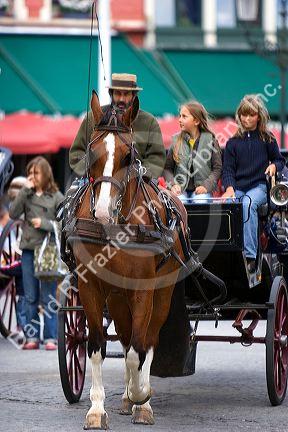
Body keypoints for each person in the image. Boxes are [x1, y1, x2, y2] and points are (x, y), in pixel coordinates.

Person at [222, 94, 285, 272]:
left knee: (248, 204)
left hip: (259, 187)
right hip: (239, 188)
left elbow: (280, 160)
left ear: (259, 116)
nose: (246, 118)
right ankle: (227, 255)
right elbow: (227, 170)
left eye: (251, 115)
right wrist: (229, 188)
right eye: (243, 115)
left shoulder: (268, 138)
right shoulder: (232, 143)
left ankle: (250, 256)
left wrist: (274, 165)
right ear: (239, 116)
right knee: (227, 205)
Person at [9, 157, 64, 350]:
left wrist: (46, 224)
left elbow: (65, 223)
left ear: (45, 174)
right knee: (31, 296)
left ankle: (50, 338)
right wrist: (24, 190)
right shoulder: (27, 194)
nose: (32, 176)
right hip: (28, 251)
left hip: (47, 250)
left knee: (48, 296)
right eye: (30, 173)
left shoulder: (56, 196)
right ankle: (32, 337)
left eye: (36, 173)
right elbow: (13, 213)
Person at [69, 73, 166, 179]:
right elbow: (76, 154)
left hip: (137, 184)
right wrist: (93, 168)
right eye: (118, 94)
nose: (121, 99)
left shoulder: (149, 121)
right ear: (111, 94)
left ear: (134, 96)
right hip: (96, 181)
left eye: (126, 94)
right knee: (72, 194)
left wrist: (139, 174)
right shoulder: (93, 118)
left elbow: (156, 158)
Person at [163, 101, 222, 202]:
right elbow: (167, 169)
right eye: (180, 116)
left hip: (203, 191)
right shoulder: (176, 140)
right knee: (179, 202)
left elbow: (217, 168)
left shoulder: (211, 141)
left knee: (200, 200)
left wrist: (205, 187)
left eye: (184, 116)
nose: (180, 119)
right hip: (180, 192)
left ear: (196, 121)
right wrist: (173, 185)